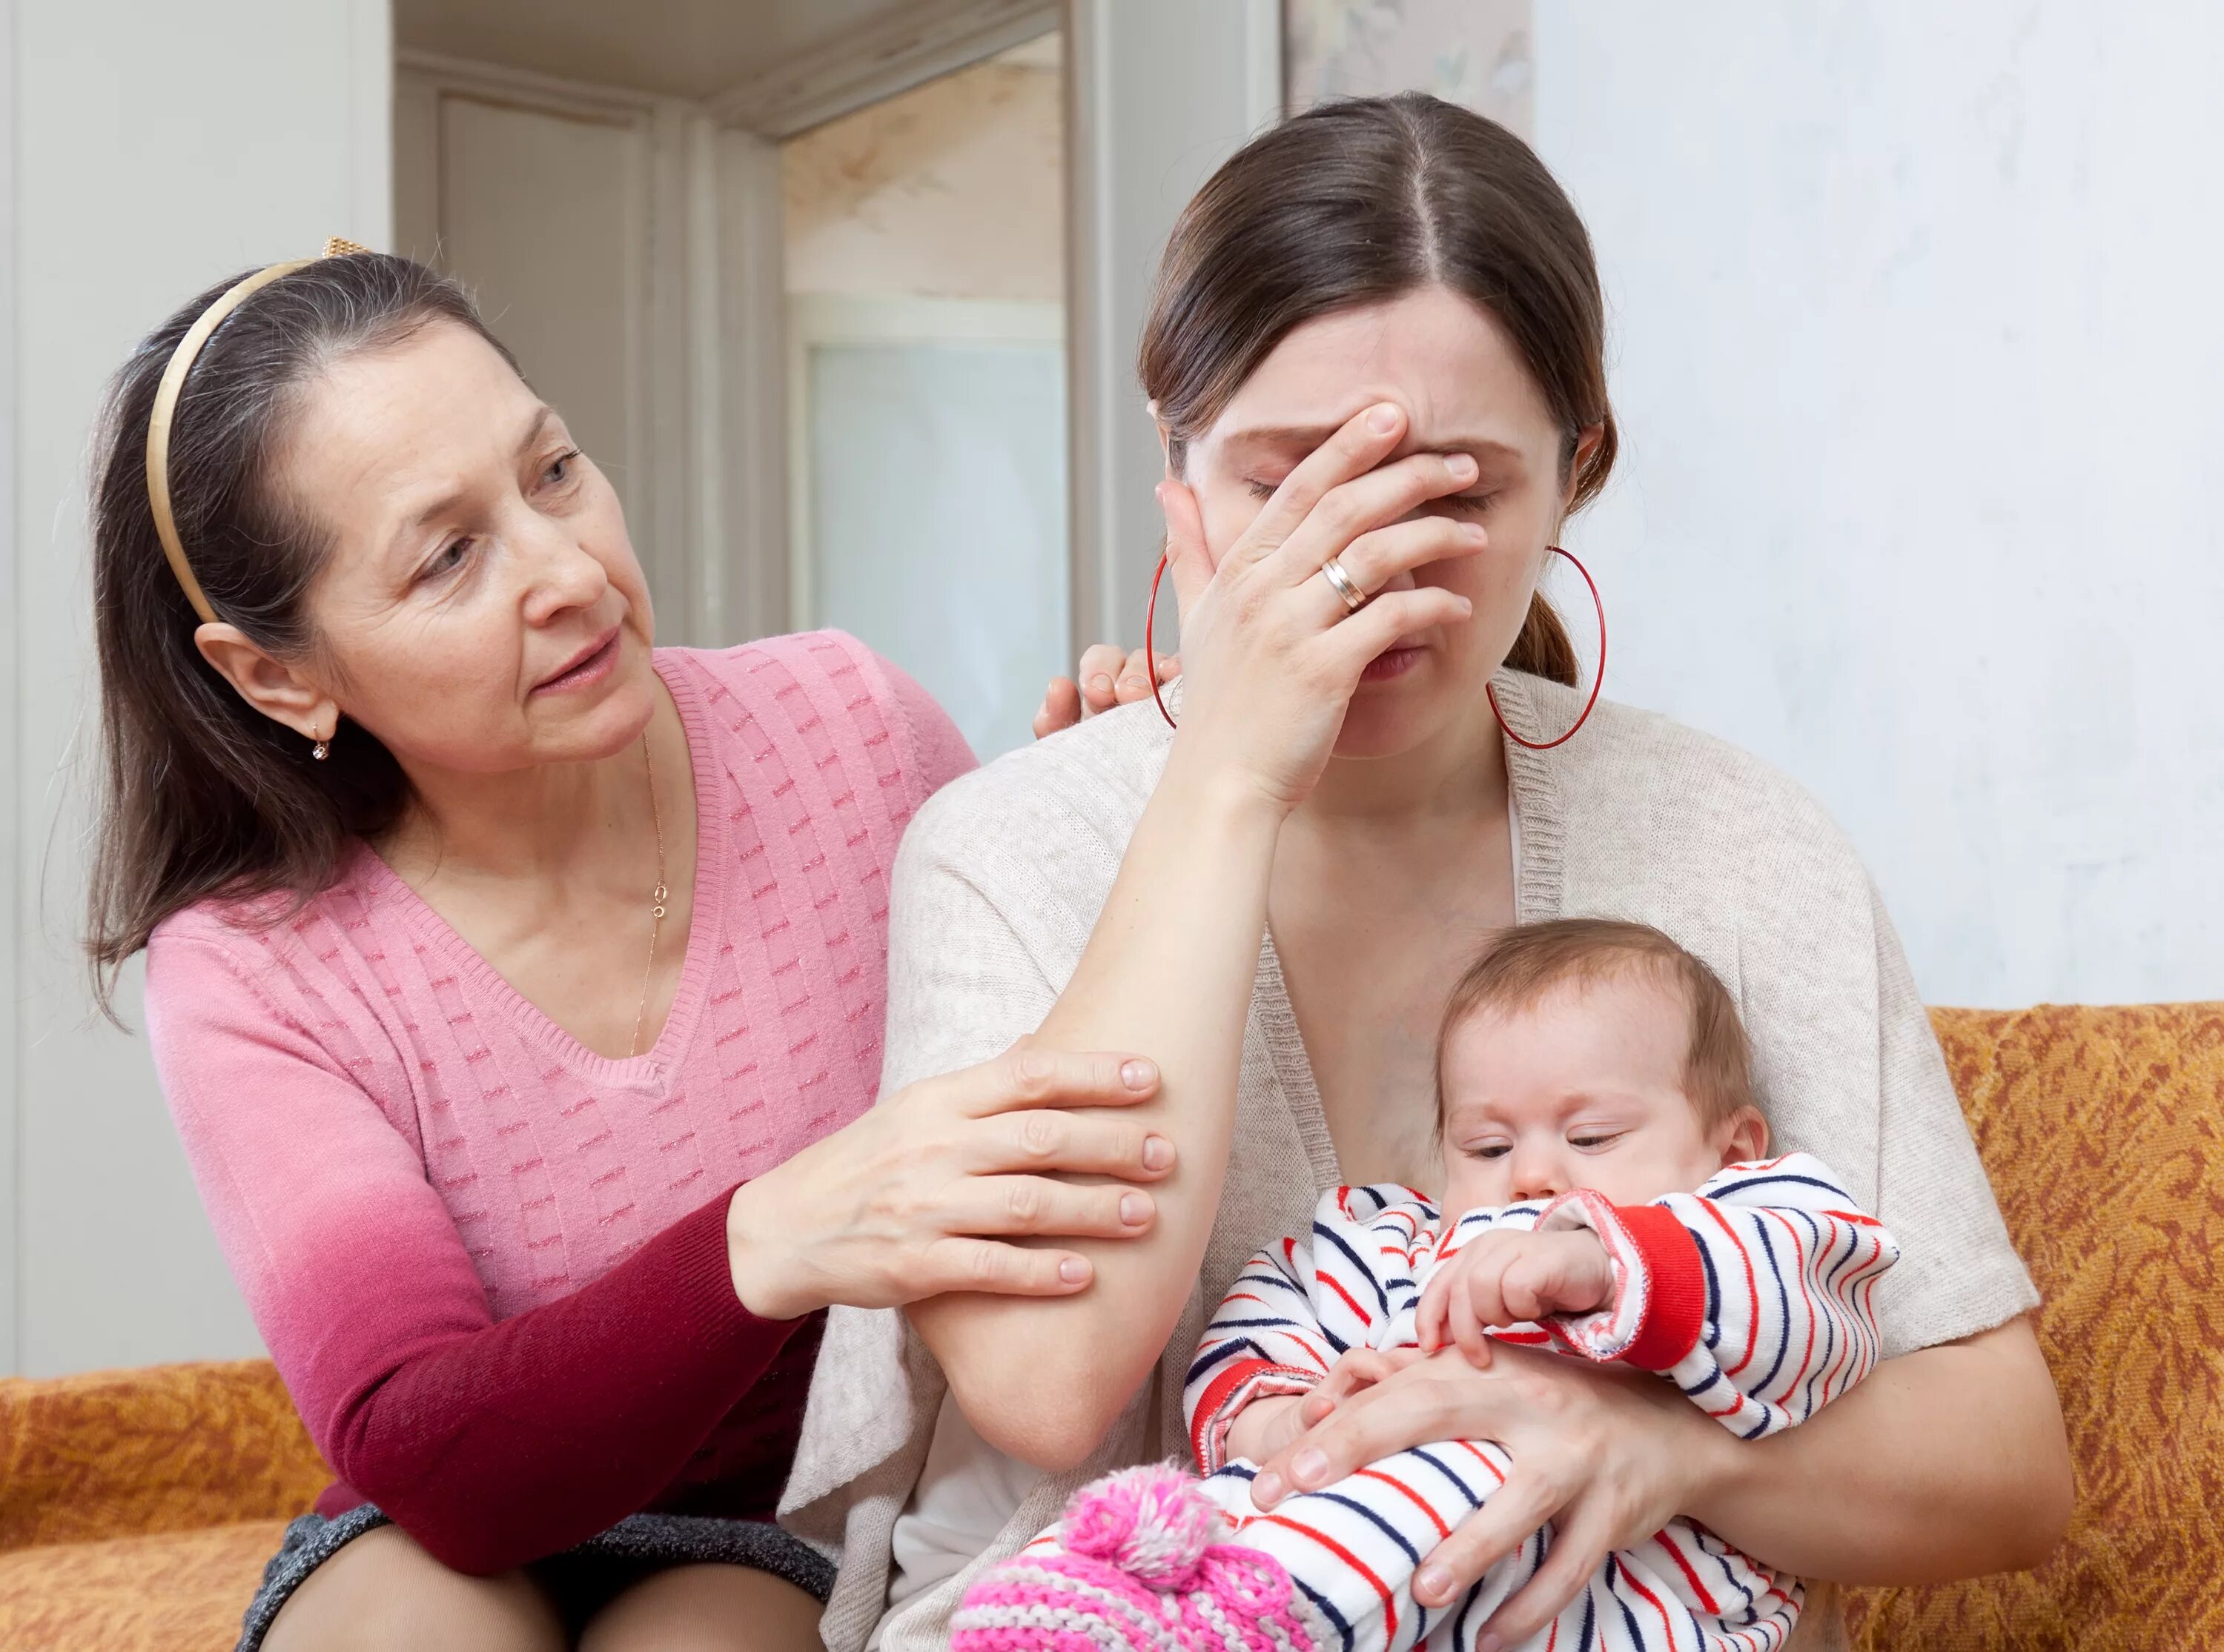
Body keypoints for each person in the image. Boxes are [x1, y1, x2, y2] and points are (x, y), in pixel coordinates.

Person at [784, 93, 2071, 1652]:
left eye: (1453, 493)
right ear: (1175, 466)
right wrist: (1229, 773)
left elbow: (2006, 1461)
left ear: (1577, 468)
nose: (1369, 562)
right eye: (1285, 482)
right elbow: (1052, 1385)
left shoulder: (1738, 837)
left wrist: (1667, 1445)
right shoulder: (1010, 845)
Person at [88, 247, 1172, 1652]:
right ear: (277, 673)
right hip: (454, 1523)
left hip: (786, 1522)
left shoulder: (852, 725)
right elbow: (432, 1453)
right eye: (449, 554)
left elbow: (1052, 1142)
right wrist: (773, 1230)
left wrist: (1093, 832)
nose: (565, 570)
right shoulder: (253, 961)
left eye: (552, 472)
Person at [957, 919, 1898, 1652]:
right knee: (1278, 1485)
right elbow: (1262, 1323)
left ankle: (1228, 1610)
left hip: (1628, 1604)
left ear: (1730, 1145)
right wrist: (1286, 1419)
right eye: (1488, 1146)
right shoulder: (1391, 1244)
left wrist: (1608, 1260)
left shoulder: (1751, 1222)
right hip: (1367, 1585)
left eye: (1592, 1138)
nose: (1533, 1174)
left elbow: (1815, 1319)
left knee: (1479, 1436)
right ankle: (1097, 1593)